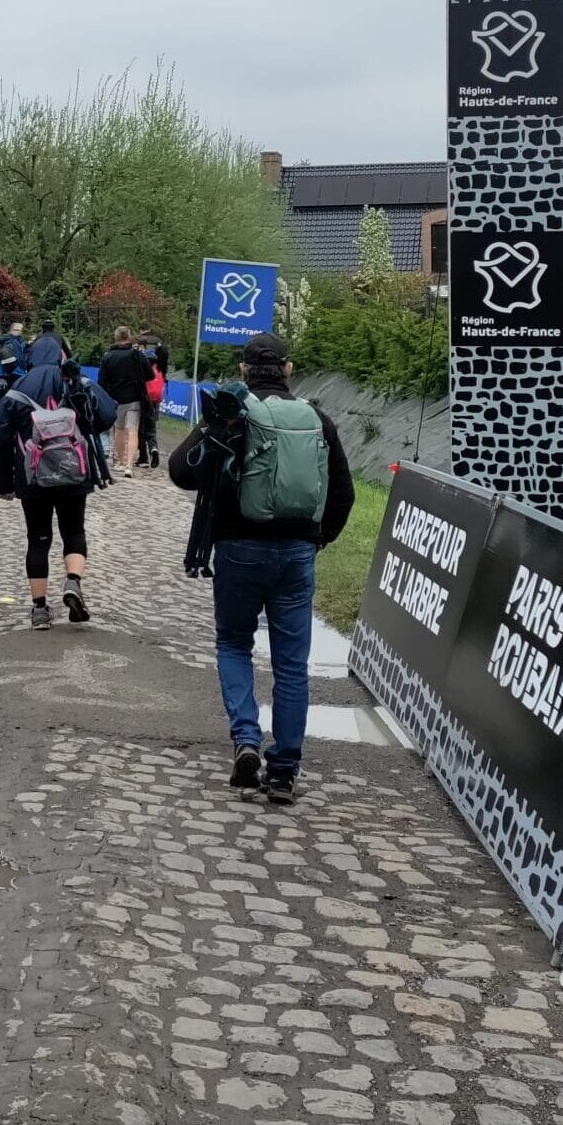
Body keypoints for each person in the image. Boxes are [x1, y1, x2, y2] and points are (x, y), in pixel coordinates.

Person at [168, 331, 354, 802]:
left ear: (243, 370)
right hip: (296, 553)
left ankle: (246, 738)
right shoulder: (317, 419)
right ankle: (284, 770)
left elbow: (180, 470)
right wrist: (318, 540)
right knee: (291, 664)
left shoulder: (234, 414)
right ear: (289, 369)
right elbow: (343, 494)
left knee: (234, 643)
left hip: (238, 549)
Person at [0, 354, 113, 631]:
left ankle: (40, 609)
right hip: (74, 472)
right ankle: (73, 581)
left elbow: (0, 438)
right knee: (74, 531)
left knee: (37, 538)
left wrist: (4, 484)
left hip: (33, 477)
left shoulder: (18, 388)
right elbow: (107, 416)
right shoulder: (76, 380)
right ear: (62, 355)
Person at [96, 325, 156, 472]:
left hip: (116, 399)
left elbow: (102, 381)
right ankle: (129, 465)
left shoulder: (108, 356)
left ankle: (121, 462)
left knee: (119, 430)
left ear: (116, 338)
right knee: (133, 430)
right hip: (134, 397)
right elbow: (150, 375)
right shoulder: (137, 355)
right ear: (129, 337)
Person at [136, 328, 170, 469]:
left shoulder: (143, 366)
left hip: (143, 399)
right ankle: (153, 448)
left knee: (139, 428)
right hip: (155, 400)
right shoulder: (160, 368)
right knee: (151, 428)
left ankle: (143, 456)